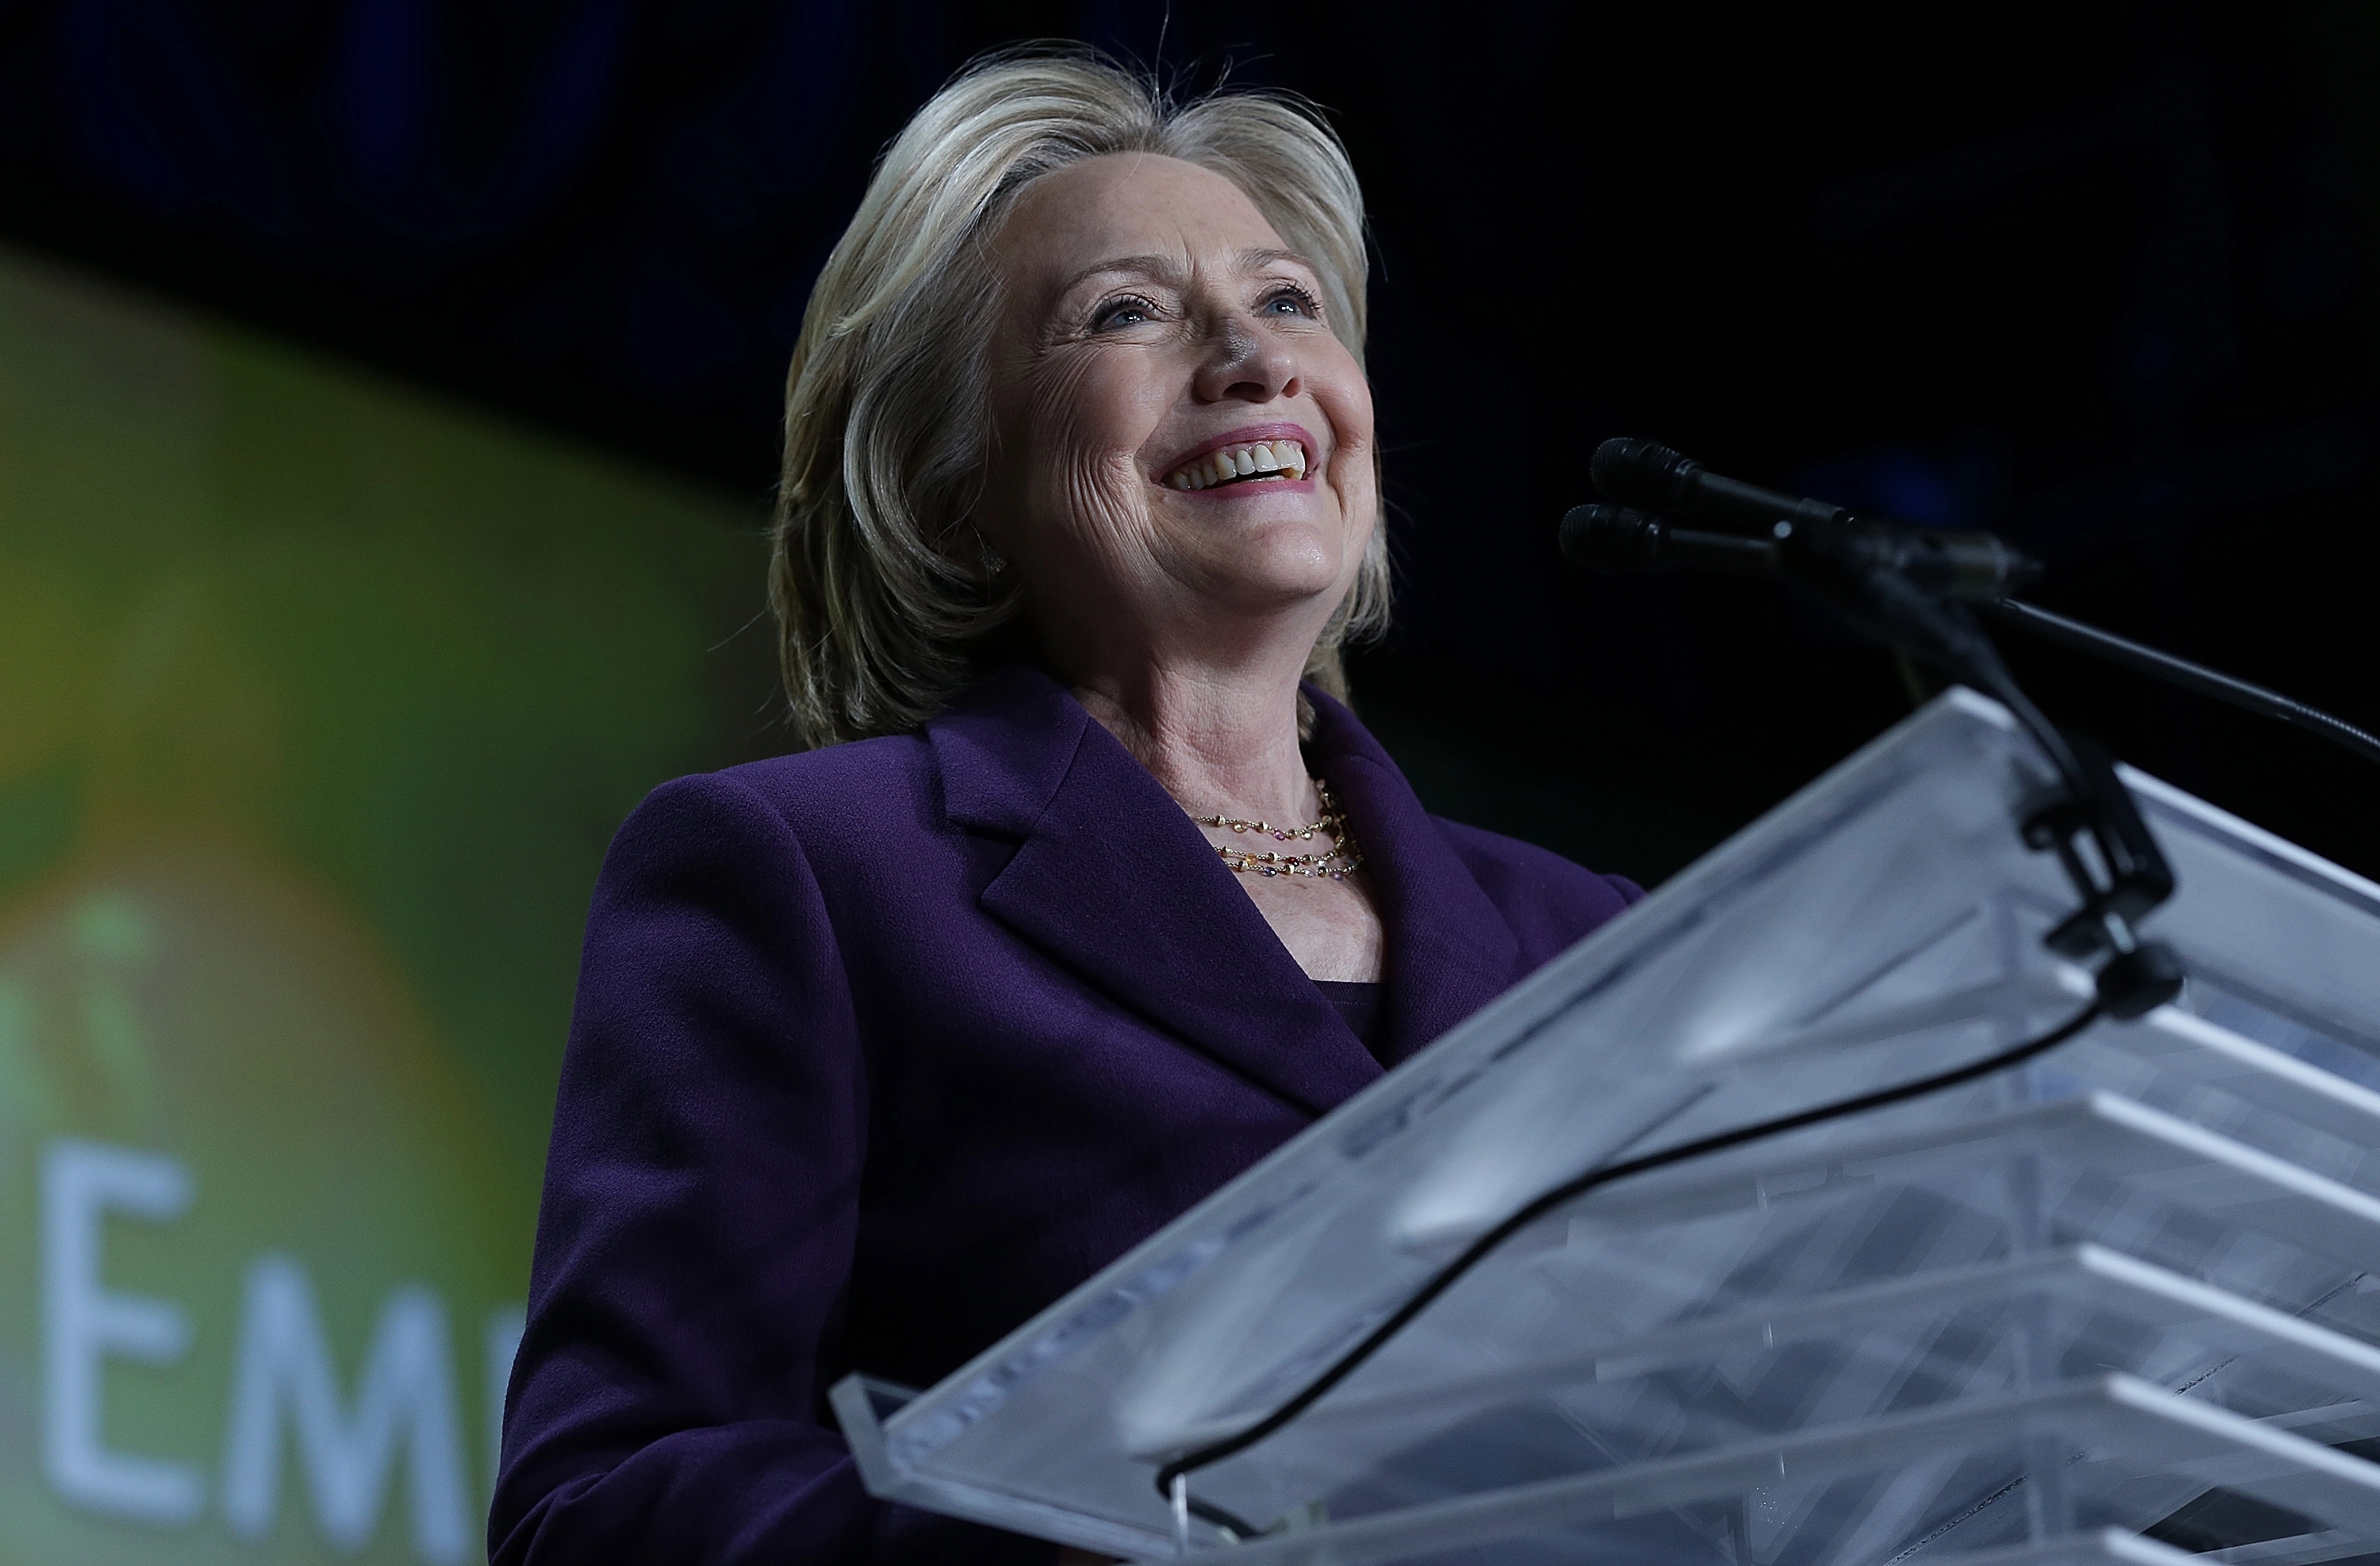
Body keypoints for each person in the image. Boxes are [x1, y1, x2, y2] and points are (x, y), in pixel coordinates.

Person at [489, 48, 1641, 1566]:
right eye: (1128, 313)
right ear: (951, 493)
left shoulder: (1591, 939)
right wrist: (1111, 1520)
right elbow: (600, 1509)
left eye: (1288, 300)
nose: (1254, 358)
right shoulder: (809, 874)